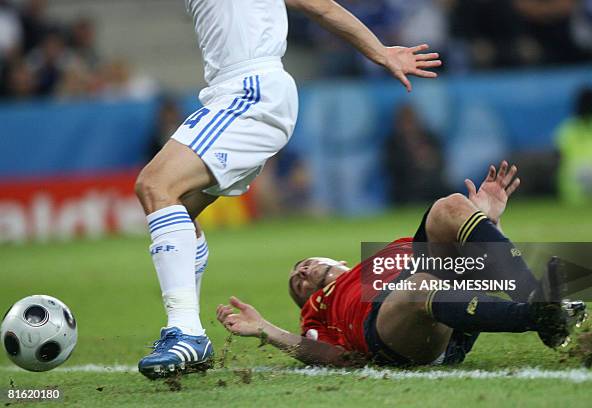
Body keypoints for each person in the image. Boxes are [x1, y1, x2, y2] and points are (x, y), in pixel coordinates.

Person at [135, 0, 442, 379]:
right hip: (229, 92)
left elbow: (322, 7)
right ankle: (189, 334)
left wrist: (380, 52)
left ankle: (185, 331)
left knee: (154, 185)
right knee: (175, 206)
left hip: (251, 90)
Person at [217, 161, 586, 367]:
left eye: (304, 264)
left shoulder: (391, 252)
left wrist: (484, 220)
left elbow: (473, 267)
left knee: (449, 206)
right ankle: (536, 316)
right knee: (420, 284)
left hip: (440, 295)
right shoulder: (319, 310)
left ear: (341, 262)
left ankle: (541, 303)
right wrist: (266, 329)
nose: (301, 274)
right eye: (297, 284)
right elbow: (333, 356)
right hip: (390, 332)